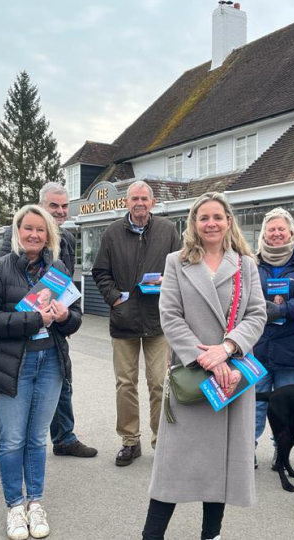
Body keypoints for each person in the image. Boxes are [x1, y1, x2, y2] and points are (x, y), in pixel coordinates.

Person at [143, 192, 267, 540]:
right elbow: (169, 316)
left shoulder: (246, 264)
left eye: (217, 217)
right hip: (193, 376)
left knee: (221, 468)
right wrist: (204, 357)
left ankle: (210, 535)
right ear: (193, 224)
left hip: (232, 378)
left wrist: (226, 349)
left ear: (229, 220)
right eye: (203, 217)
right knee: (171, 467)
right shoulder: (176, 262)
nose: (211, 223)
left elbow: (257, 314)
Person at [0, 204, 82, 540]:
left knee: (36, 439)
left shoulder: (59, 269)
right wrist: (35, 320)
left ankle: (35, 502)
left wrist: (64, 317)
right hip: (12, 365)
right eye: (27, 228)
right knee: (12, 440)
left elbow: (75, 318)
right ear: (17, 233)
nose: (34, 235)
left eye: (40, 229)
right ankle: (15, 507)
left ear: (49, 234)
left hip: (50, 362)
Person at [0, 183, 96, 478]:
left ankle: (64, 437)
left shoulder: (67, 239)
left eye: (63, 207)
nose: (60, 212)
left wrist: (64, 315)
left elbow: (65, 284)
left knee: (61, 383)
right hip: (18, 332)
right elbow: (9, 277)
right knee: (5, 388)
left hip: (52, 327)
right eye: (53, 207)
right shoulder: (17, 235)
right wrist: (32, 317)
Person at [92, 180, 182, 466]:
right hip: (124, 320)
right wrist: (115, 298)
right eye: (134, 199)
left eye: (144, 198)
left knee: (158, 383)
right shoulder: (112, 233)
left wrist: (169, 282)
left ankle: (162, 441)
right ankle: (130, 441)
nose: (139, 203)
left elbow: (183, 267)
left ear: (152, 202)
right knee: (125, 384)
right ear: (126, 203)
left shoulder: (168, 232)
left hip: (159, 320)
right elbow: (100, 272)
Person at [252, 207, 294, 465]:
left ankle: (280, 450)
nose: (276, 234)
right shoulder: (254, 263)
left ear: (290, 232)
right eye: (271, 229)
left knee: (287, 405)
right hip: (259, 345)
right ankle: (247, 449)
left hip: (290, 346)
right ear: (264, 233)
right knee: (255, 402)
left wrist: (283, 309)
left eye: (281, 229)